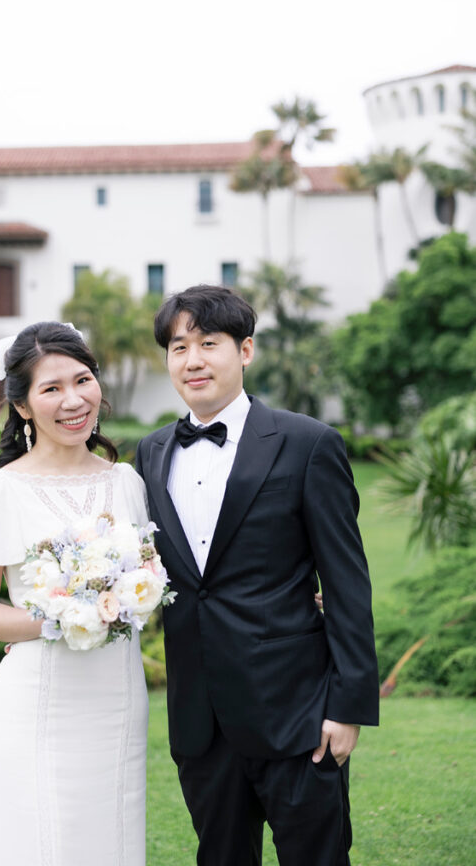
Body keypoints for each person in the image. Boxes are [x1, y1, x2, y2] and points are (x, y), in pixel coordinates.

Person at [135, 284, 379, 866]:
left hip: (297, 714)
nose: (192, 360)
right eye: (178, 347)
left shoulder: (308, 444)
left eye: (209, 344)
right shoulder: (149, 453)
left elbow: (346, 585)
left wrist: (346, 708)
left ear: (245, 350)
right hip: (199, 722)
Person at [0, 321, 150, 866]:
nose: (73, 400)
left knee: (113, 837)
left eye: (82, 380)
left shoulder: (126, 484)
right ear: (22, 407)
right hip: (39, 700)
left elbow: (150, 574)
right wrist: (65, 616)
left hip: (118, 697)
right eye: (51, 388)